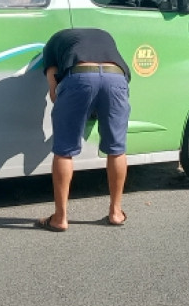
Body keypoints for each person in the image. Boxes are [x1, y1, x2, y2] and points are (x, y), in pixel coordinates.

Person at [37, 28, 131, 231]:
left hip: (79, 76)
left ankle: (60, 218)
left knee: (64, 151)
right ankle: (115, 212)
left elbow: (54, 93)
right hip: (116, 77)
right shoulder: (105, 35)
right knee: (117, 149)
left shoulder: (52, 45)